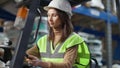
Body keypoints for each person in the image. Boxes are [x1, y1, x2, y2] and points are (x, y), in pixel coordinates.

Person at [26, 0, 90, 68]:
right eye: (48, 15)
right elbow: (26, 55)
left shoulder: (73, 40)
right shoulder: (43, 40)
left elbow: (67, 65)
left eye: (54, 15)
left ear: (64, 18)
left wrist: (40, 63)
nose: (50, 19)